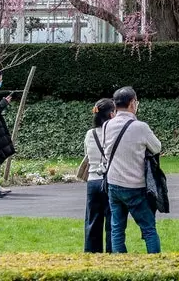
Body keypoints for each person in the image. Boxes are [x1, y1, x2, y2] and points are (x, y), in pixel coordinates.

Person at [103, 86, 162, 254]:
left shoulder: (107, 125)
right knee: (148, 228)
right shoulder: (140, 127)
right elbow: (157, 147)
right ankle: (155, 265)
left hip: (113, 183)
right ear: (132, 103)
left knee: (117, 229)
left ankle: (121, 265)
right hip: (135, 186)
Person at [83, 98, 115, 253]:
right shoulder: (113, 133)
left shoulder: (90, 134)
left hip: (93, 180)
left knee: (92, 221)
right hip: (110, 180)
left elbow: (87, 155)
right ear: (111, 114)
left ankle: (91, 255)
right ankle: (112, 253)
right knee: (112, 221)